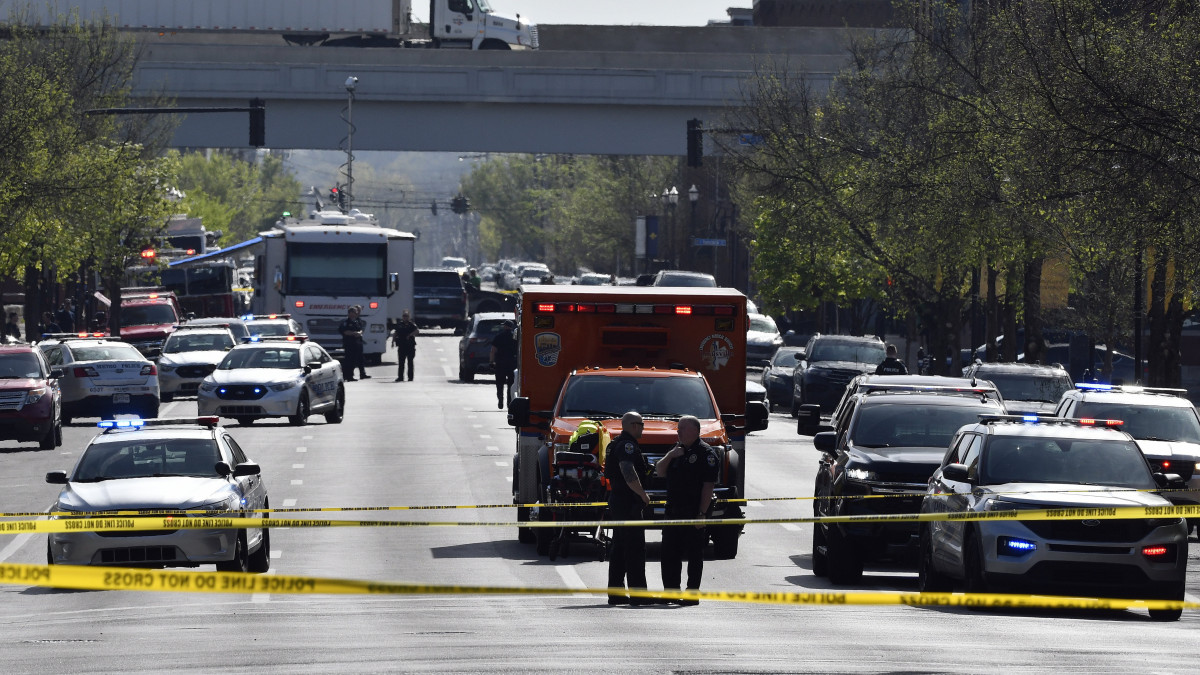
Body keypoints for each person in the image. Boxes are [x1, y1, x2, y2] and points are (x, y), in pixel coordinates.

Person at [655, 415, 719, 606]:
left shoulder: (706, 454)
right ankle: (671, 591)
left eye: (682, 428)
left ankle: (692, 593)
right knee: (668, 554)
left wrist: (701, 513)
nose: (678, 431)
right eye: (678, 428)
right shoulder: (676, 450)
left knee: (694, 554)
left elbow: (708, 486)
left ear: (695, 430)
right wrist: (670, 455)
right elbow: (659, 471)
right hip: (673, 511)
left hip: (694, 511)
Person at [604, 411, 652, 606]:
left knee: (620, 548)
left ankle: (615, 592)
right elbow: (628, 471)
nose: (643, 428)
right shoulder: (627, 445)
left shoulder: (616, 443)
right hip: (628, 502)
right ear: (633, 425)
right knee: (635, 549)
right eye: (641, 424)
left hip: (618, 501)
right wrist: (642, 494)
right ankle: (638, 594)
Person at [489, 319, 517, 409]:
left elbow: (493, 350)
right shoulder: (515, 337)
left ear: (505, 327)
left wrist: (491, 362)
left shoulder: (499, 337)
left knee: (499, 384)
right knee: (511, 384)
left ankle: (500, 401)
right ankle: (509, 403)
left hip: (500, 363)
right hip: (512, 363)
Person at [338, 305, 370, 381]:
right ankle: (347, 376)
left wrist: (359, 333)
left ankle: (352, 375)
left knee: (355, 360)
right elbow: (345, 332)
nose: (356, 314)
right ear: (350, 313)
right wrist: (354, 333)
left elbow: (361, 329)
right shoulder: (346, 322)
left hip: (357, 343)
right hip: (349, 344)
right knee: (349, 360)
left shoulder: (356, 321)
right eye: (354, 312)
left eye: (356, 312)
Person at [392, 310, 419, 382]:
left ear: (409, 317)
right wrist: (393, 341)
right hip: (401, 345)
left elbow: (417, 331)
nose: (405, 317)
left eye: (406, 316)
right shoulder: (399, 324)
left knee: (410, 362)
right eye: (404, 316)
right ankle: (400, 377)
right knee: (401, 362)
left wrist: (410, 335)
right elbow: (396, 333)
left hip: (410, 345)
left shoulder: (411, 324)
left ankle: (410, 377)